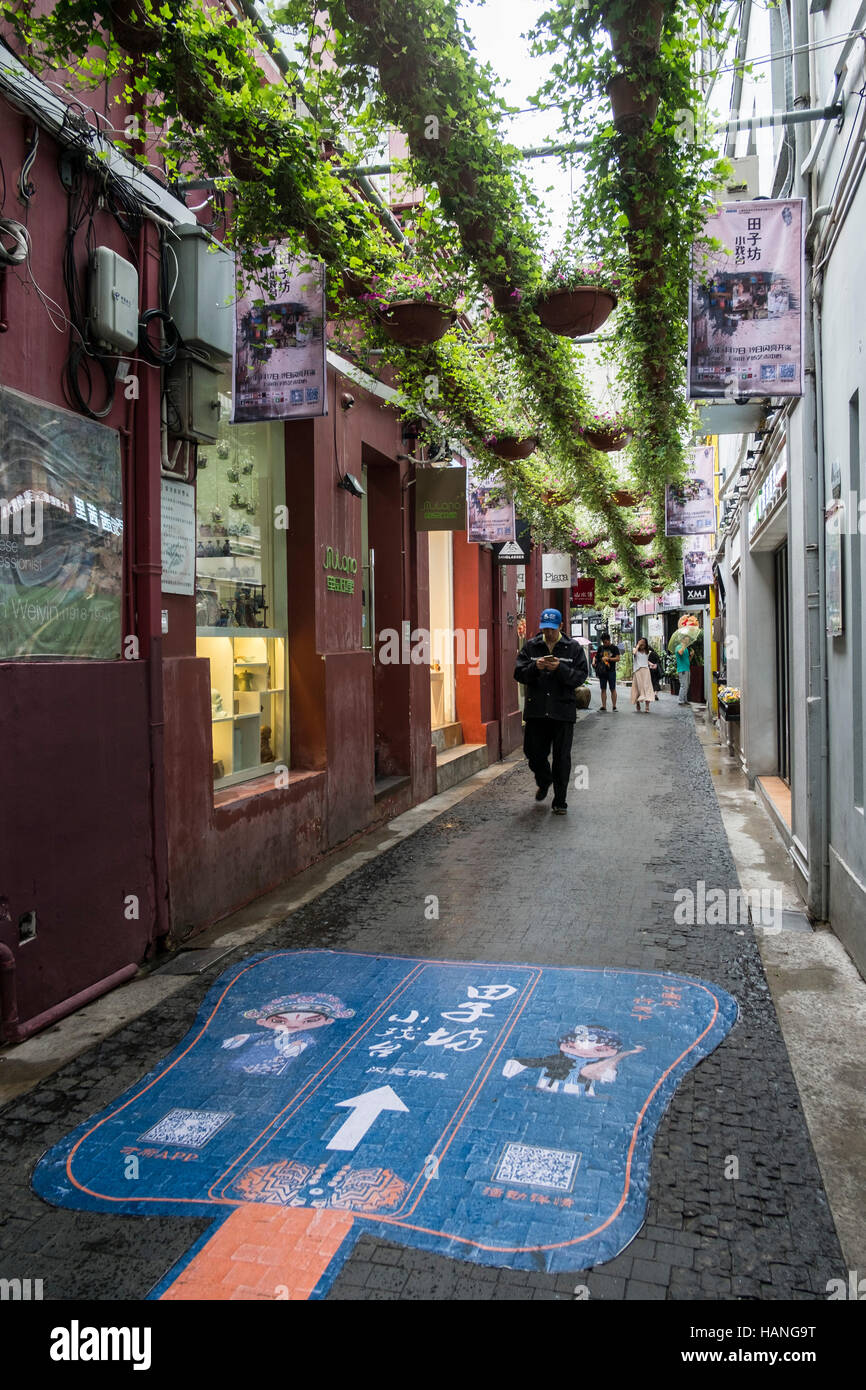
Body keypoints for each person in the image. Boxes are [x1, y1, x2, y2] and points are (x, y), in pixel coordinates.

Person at [514, 607, 589, 815]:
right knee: (532, 752)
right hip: (537, 710)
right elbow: (518, 673)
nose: (548, 633)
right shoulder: (531, 647)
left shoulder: (572, 648)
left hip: (562, 710)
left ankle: (560, 801)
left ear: (561, 627)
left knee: (561, 757)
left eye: (552, 629)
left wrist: (560, 669)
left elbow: (581, 676)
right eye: (545, 629)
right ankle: (544, 779)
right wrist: (534, 668)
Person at [592, 631, 620, 711]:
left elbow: (618, 658)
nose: (605, 643)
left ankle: (614, 706)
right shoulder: (601, 648)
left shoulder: (614, 648)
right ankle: (604, 706)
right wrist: (594, 662)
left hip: (611, 671)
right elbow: (596, 656)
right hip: (602, 671)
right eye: (603, 642)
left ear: (609, 640)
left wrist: (608, 659)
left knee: (612, 689)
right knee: (603, 689)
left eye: (606, 642)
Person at [630, 637, 657, 712]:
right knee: (638, 688)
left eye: (643, 643)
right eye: (640, 642)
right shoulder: (635, 650)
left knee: (647, 688)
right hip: (637, 671)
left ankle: (647, 706)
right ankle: (637, 702)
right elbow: (634, 653)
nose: (642, 644)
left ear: (646, 644)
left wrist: (652, 664)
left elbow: (645, 660)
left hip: (646, 671)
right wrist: (638, 645)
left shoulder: (647, 651)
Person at [675, 637, 692, 704]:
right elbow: (680, 653)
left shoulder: (686, 649)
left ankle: (685, 699)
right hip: (682, 669)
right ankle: (680, 699)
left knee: (687, 684)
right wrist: (684, 645)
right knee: (683, 685)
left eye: (688, 639)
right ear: (682, 640)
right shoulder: (678, 647)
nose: (688, 640)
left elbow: (688, 660)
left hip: (687, 668)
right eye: (686, 639)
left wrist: (691, 656)